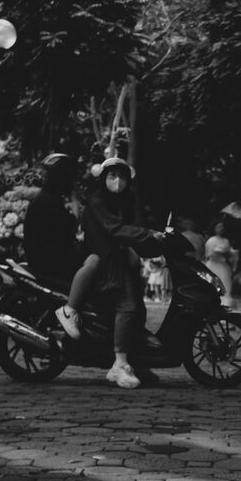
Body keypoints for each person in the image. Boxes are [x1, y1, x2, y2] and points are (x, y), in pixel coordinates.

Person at [80, 156, 166, 390]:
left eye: (122, 177)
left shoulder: (124, 202)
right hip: (107, 264)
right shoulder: (97, 203)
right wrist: (147, 234)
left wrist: (154, 238)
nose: (117, 181)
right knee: (127, 306)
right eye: (112, 176)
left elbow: (133, 230)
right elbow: (115, 229)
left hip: (123, 263)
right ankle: (119, 364)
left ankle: (135, 361)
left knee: (138, 311)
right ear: (103, 178)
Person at [22, 153, 99, 343]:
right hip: (47, 257)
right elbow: (70, 227)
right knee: (94, 260)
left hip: (44, 254)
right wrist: (75, 202)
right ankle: (70, 310)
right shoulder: (48, 201)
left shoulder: (47, 198)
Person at [203, 222, 234, 300]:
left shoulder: (226, 241)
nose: (221, 228)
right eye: (219, 227)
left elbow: (229, 255)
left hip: (223, 266)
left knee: (225, 285)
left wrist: (227, 254)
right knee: (212, 286)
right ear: (214, 229)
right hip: (213, 265)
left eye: (222, 227)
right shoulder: (211, 241)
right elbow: (208, 255)